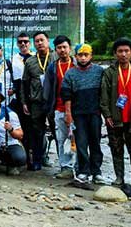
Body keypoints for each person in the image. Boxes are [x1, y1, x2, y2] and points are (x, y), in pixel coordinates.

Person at [100, 37, 131, 187]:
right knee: (116, 147)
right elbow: (104, 95)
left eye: (126, 51)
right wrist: (107, 114)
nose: (123, 54)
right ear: (115, 53)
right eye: (120, 51)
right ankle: (119, 177)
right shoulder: (109, 72)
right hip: (115, 117)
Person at [60, 44, 105, 184]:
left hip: (95, 113)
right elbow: (66, 95)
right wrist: (68, 114)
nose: (83, 58)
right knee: (81, 143)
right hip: (78, 114)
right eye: (80, 55)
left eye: (86, 55)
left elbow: (105, 92)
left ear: (91, 56)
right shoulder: (70, 74)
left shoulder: (99, 71)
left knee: (95, 142)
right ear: (75, 57)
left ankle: (96, 171)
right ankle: (83, 171)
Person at [20, 31, 57, 170]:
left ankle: (64, 164)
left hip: (54, 101)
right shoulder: (30, 61)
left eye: (42, 40)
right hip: (36, 102)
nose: (40, 43)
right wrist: (24, 102)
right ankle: (37, 160)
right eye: (37, 41)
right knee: (37, 132)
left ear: (48, 41)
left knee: (57, 131)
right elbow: (25, 83)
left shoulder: (56, 57)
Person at [41, 35, 76, 179]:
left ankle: (79, 168)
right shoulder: (52, 67)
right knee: (61, 139)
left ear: (70, 48)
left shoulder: (77, 64)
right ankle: (65, 167)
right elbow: (47, 89)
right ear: (55, 50)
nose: (62, 50)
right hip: (58, 108)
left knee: (77, 138)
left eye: (65, 47)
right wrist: (48, 108)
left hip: (77, 109)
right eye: (59, 48)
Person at [11, 32, 32, 161]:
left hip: (34, 95)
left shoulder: (35, 57)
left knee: (35, 128)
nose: (23, 44)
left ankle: (38, 155)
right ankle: (24, 154)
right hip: (19, 96)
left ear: (30, 43)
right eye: (20, 42)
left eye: (26, 41)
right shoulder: (13, 59)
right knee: (22, 125)